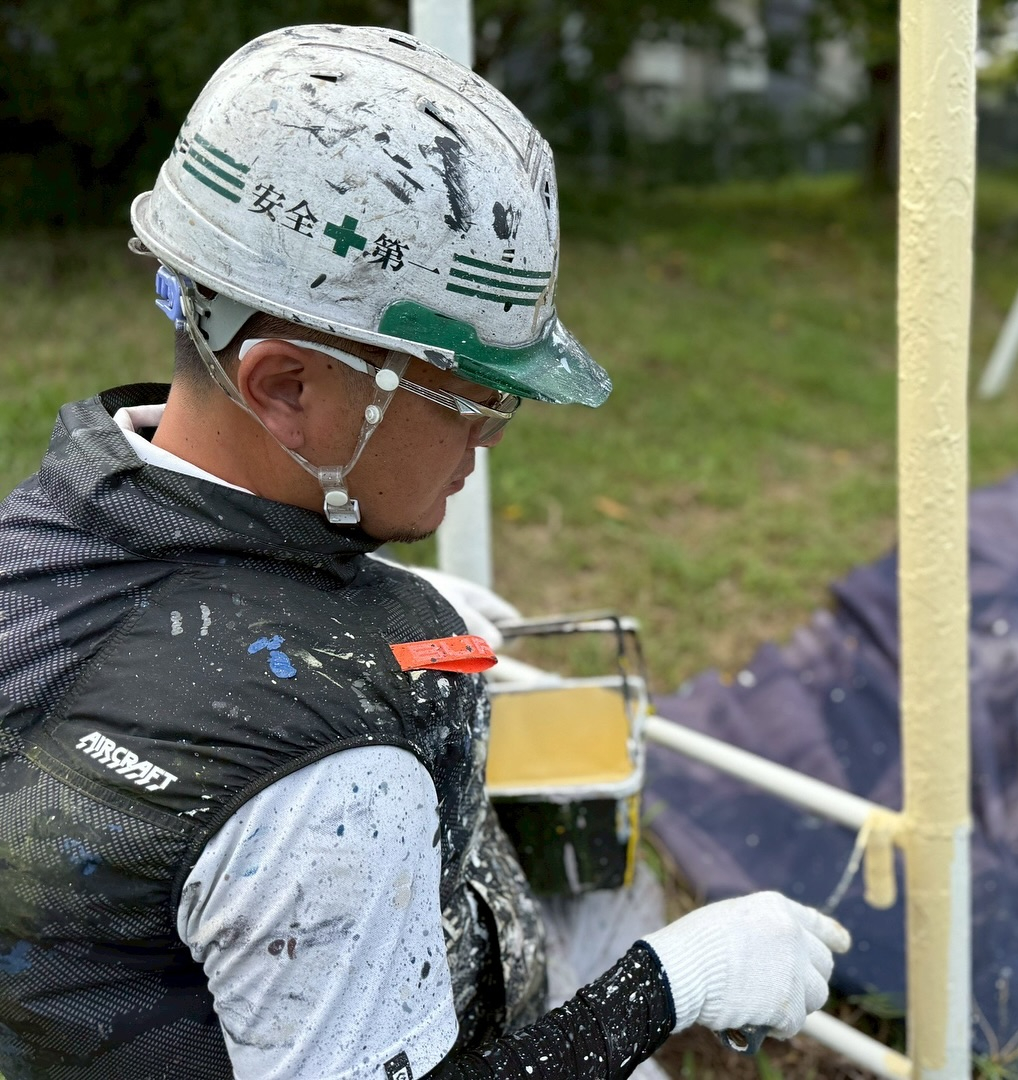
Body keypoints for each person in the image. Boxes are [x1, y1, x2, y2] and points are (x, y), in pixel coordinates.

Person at [0, 24, 849, 1080]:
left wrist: (338, 592)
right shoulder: (330, 780)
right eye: (470, 398)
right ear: (285, 387)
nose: (491, 438)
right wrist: (668, 985)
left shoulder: (54, 521)